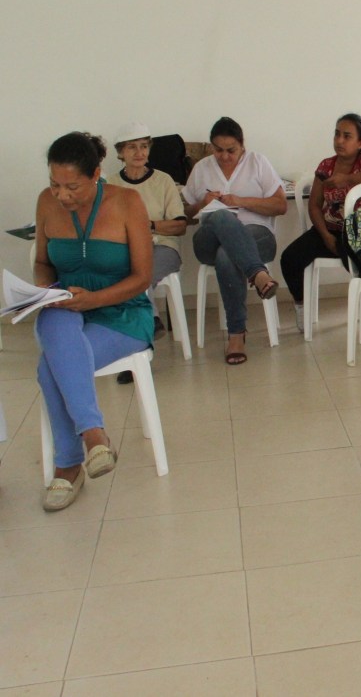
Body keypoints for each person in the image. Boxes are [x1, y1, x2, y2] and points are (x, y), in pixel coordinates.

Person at [34, 132, 153, 511]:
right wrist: (45, 291)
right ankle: (94, 435)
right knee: (55, 322)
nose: (62, 195)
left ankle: (68, 464)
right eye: (55, 184)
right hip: (67, 308)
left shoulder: (128, 202)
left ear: (97, 174)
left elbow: (142, 277)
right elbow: (42, 262)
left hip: (123, 313)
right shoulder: (46, 202)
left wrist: (94, 299)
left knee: (50, 367)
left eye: (72, 187)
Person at [182, 117, 286, 365]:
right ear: (211, 146)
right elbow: (184, 216)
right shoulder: (202, 168)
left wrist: (241, 201)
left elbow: (280, 205)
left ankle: (236, 335)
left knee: (226, 255)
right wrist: (202, 204)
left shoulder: (257, 162)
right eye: (218, 150)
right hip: (208, 241)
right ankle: (258, 274)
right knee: (220, 215)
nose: (225, 156)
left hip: (257, 236)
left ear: (242, 145)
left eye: (231, 150)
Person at [280, 114, 361, 333]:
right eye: (337, 134)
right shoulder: (326, 166)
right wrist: (325, 236)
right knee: (289, 258)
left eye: (347, 136)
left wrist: (347, 179)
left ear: (360, 142)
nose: (339, 140)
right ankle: (301, 304)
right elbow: (315, 205)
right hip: (327, 230)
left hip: (359, 231)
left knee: (356, 251)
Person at [107, 121, 187, 384]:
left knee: (138, 276)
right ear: (120, 152)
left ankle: (137, 351)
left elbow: (179, 225)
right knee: (122, 276)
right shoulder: (110, 185)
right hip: (125, 251)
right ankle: (141, 340)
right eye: (132, 147)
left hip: (163, 247)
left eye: (143, 146)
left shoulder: (163, 181)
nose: (139, 152)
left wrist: (148, 225)